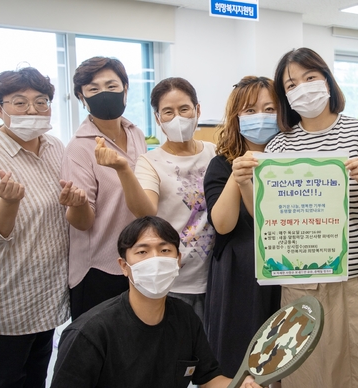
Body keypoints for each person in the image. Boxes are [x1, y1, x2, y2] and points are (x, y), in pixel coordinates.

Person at [266, 47, 358, 388]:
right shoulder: (278, 148)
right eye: (291, 84)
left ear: (327, 80)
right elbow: (269, 220)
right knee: (308, 374)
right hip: (301, 280)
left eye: (310, 77)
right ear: (285, 96)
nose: (303, 88)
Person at [0, 67, 87, 387]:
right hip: (4, 298)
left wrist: (74, 200)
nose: (32, 110)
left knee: (35, 378)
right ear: (0, 109)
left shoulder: (54, 147)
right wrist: (8, 203)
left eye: (41, 101)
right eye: (20, 102)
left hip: (43, 294)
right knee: (4, 380)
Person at [51, 216, 263, 388]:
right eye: (142, 252)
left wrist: (240, 384)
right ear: (124, 266)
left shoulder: (185, 318)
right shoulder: (89, 333)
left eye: (164, 251)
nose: (155, 260)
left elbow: (209, 378)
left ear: (178, 260)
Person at [95, 77, 215, 319]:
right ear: (158, 119)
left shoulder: (216, 152)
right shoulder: (150, 161)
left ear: (197, 110)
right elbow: (145, 211)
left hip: (216, 275)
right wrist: (122, 169)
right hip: (173, 278)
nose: (177, 118)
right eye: (167, 112)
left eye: (184, 109)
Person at [203, 76, 282, 378]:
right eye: (249, 110)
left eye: (269, 108)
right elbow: (223, 225)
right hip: (240, 277)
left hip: (285, 269)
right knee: (240, 361)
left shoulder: (292, 161)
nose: (260, 117)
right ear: (235, 118)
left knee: (282, 357)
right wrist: (239, 173)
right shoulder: (221, 164)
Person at [62, 56, 147, 320]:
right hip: (99, 268)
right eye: (93, 89)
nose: (104, 94)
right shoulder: (79, 147)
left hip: (138, 262)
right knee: (98, 352)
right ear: (81, 97)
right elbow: (82, 222)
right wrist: (76, 204)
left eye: (112, 86)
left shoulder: (136, 133)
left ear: (125, 89)